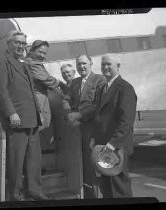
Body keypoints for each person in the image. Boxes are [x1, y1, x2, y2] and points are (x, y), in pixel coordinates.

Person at [0, 30, 49, 201]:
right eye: (18, 42)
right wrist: (11, 112)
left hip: (32, 119)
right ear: (8, 43)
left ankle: (35, 191)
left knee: (34, 160)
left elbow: (31, 91)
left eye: (23, 43)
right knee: (16, 160)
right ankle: (15, 195)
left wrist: (38, 113)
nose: (21, 46)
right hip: (18, 120)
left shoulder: (23, 63)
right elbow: (0, 90)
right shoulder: (0, 61)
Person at [92, 54, 137, 198]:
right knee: (106, 187)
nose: (105, 67)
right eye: (103, 64)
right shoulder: (102, 89)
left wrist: (112, 145)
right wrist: (94, 138)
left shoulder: (125, 88)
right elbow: (99, 117)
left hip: (117, 147)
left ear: (118, 66)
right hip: (103, 146)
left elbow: (126, 122)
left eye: (109, 64)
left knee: (119, 189)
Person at [65, 54, 106, 198]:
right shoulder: (75, 82)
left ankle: (96, 196)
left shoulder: (100, 80)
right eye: (78, 64)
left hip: (93, 129)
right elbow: (67, 101)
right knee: (83, 165)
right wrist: (70, 114)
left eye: (84, 63)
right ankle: (87, 194)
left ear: (90, 63)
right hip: (78, 129)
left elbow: (99, 104)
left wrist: (80, 115)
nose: (81, 67)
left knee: (93, 165)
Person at [24, 40, 64, 131]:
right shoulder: (32, 63)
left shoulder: (32, 61)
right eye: (40, 52)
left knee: (45, 123)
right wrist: (60, 84)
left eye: (44, 53)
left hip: (42, 95)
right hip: (38, 97)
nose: (42, 55)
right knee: (41, 123)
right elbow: (46, 79)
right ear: (32, 50)